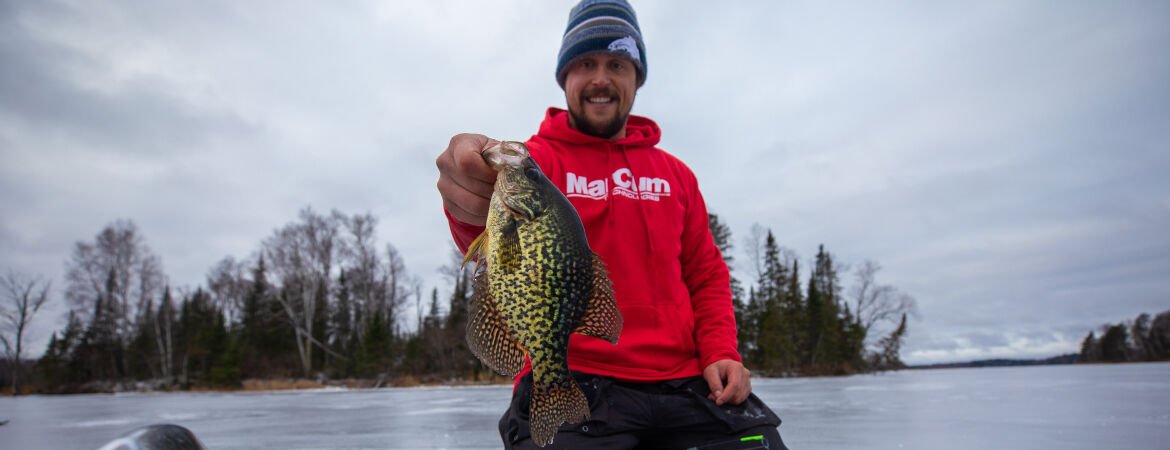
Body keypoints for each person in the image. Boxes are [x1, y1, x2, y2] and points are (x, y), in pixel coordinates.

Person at [436, 1, 786, 448]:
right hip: (577, 375)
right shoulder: (536, 163)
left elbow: (706, 273)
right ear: (565, 77)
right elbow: (490, 241)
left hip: (690, 385)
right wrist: (467, 199)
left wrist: (721, 352)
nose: (600, 78)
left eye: (616, 64)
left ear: (636, 77)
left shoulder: (677, 175)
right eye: (585, 63)